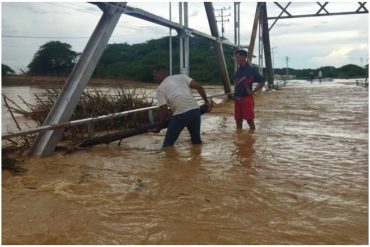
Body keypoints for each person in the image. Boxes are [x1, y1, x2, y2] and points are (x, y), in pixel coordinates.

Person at [151, 65, 212, 147]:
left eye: (155, 76)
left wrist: (158, 128)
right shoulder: (181, 77)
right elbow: (199, 86)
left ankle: (168, 159)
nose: (154, 78)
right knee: (196, 142)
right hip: (195, 112)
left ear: (161, 73)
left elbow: (163, 111)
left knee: (167, 146)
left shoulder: (160, 89)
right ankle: (197, 158)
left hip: (180, 115)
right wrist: (206, 102)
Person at [228, 49, 265, 131]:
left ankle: (251, 140)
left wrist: (253, 91)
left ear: (244, 57)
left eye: (237, 57)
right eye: (236, 57)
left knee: (249, 120)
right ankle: (239, 139)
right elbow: (238, 84)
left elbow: (262, 82)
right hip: (237, 99)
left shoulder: (251, 70)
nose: (236, 59)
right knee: (238, 121)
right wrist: (234, 93)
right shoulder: (238, 70)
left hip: (247, 99)